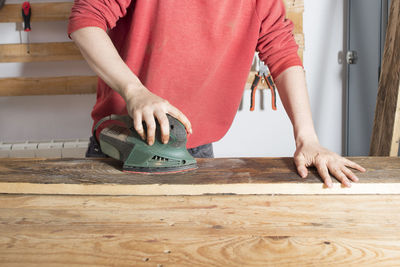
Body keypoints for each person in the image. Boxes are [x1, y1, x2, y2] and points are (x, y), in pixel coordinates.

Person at [68, 0, 365, 187]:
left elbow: (283, 53)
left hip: (194, 150)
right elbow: (86, 21)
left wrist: (308, 139)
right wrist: (135, 91)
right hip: (126, 142)